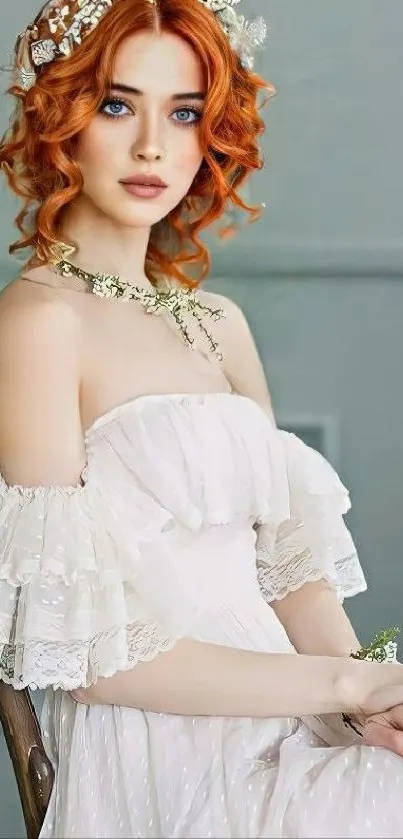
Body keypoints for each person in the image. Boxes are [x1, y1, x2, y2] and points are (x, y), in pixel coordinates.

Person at [0, 1, 402, 836]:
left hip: (299, 710)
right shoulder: (38, 324)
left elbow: (289, 575)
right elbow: (85, 658)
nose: (152, 145)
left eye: (182, 113)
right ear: (59, 122)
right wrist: (343, 686)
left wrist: (374, 700)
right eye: (117, 104)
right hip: (166, 745)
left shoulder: (215, 321)